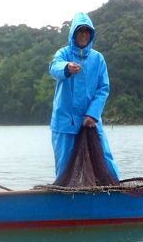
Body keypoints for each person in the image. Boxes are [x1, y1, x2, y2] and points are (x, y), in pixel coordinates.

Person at [48, 12, 120, 182]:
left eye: (87, 31)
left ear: (91, 34)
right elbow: (54, 68)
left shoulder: (98, 59)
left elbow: (103, 88)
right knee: (65, 165)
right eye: (80, 31)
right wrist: (67, 67)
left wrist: (92, 114)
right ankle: (63, 200)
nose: (83, 35)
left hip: (91, 122)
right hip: (65, 122)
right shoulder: (63, 54)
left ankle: (118, 194)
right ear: (73, 33)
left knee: (105, 159)